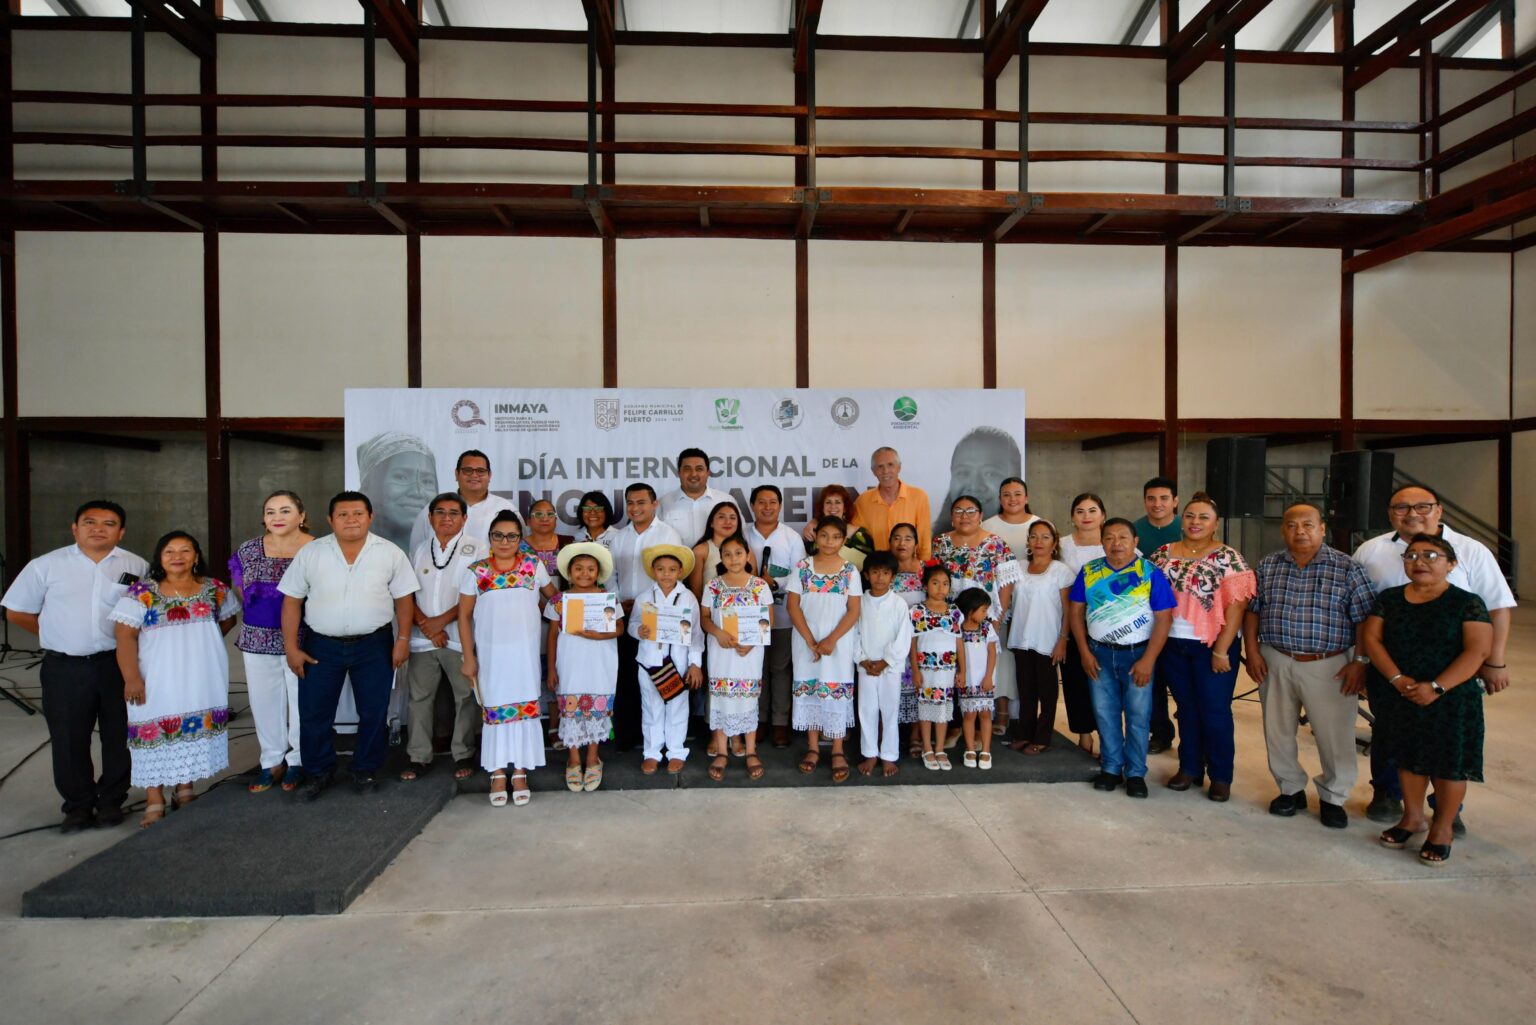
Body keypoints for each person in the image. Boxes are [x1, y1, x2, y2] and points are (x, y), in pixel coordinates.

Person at [1352, 484, 1516, 830]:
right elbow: (1364, 616)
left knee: (1447, 741)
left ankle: (1444, 811)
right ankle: (1387, 793)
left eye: (1422, 506)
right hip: (1391, 670)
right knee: (1391, 733)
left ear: (1439, 510)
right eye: (1401, 507)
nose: (1412, 513)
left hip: (1451, 671)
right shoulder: (1371, 550)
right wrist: (1371, 665)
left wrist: (1495, 661)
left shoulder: (1471, 551)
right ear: (1389, 513)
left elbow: (1497, 607)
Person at [4, 501, 147, 832]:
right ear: (75, 528)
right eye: (90, 522)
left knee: (119, 734)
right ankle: (78, 806)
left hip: (116, 664)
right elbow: (16, 611)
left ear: (121, 531)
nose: (98, 528)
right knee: (69, 738)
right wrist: (54, 633)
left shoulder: (136, 565)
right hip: (64, 667)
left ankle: (112, 800)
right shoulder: (46, 565)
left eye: (109, 523)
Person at [1361, 534, 1493, 865]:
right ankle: (1413, 817)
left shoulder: (1467, 602)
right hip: (1401, 692)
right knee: (1409, 757)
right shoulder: (1389, 599)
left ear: (1451, 564)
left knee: (1449, 764)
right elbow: (1373, 639)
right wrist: (1396, 679)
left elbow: (1477, 650)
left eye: (1431, 556)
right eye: (1412, 555)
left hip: (1451, 697)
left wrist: (1436, 687)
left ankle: (1442, 827)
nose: (1419, 562)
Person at [1243, 502, 1376, 828]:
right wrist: (1253, 651)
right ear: (1282, 529)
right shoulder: (1269, 565)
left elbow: (1365, 620)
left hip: (1329, 664)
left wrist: (1360, 662)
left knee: (1334, 735)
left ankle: (1333, 795)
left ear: (1322, 528)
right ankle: (1290, 789)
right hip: (1276, 658)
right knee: (1278, 730)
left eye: (1307, 524)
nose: (1299, 531)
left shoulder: (1347, 568)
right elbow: (1253, 610)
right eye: (1291, 525)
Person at [279, 491, 419, 802]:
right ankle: (318, 772)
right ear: (330, 519)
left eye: (358, 513)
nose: (351, 519)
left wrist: (403, 639)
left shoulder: (389, 553)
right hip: (320, 646)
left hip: (374, 645)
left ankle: (365, 768)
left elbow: (404, 599)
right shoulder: (311, 553)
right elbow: (291, 601)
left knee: (373, 711)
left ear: (370, 517)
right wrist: (291, 647)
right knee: (314, 713)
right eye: (343, 514)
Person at [111, 532, 239, 827]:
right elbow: (125, 635)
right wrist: (131, 678)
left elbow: (229, 617)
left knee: (191, 729)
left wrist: (202, 643)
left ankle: (185, 789)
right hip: (156, 675)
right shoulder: (142, 592)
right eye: (169, 551)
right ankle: (155, 798)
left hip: (201, 675)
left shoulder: (214, 589)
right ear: (160, 557)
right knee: (151, 730)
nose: (177, 556)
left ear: (196, 556)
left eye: (185, 550)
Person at [1148, 492, 1255, 802]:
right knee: (1187, 709)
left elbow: (1238, 605)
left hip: (1212, 647)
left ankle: (1221, 775)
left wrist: (1222, 649)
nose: (1195, 522)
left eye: (1203, 517)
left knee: (1215, 711)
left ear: (1215, 523)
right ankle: (1190, 768)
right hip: (1172, 643)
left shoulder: (1227, 557)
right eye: (1190, 516)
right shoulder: (1163, 554)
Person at [1070, 518, 1176, 799]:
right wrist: (1083, 651)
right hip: (1099, 654)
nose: (1116, 543)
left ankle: (1136, 772)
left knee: (1139, 716)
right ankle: (1112, 767)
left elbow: (1164, 618)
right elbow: (1076, 612)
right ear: (1102, 541)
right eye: (1109, 538)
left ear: (1135, 541)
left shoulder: (1149, 572)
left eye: (1122, 537)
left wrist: (1148, 660)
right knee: (1105, 713)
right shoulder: (1089, 572)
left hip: (1138, 655)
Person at [458, 512, 558, 806]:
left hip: (524, 654)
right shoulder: (475, 571)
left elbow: (555, 599)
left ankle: (521, 772)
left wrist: (590, 602)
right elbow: (464, 617)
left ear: (519, 539)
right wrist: (468, 657)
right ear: (490, 538)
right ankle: (498, 772)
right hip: (491, 655)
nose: (505, 541)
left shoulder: (533, 566)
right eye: (498, 535)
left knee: (525, 710)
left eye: (512, 536)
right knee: (495, 712)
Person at [229, 490, 314, 794]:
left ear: (301, 516)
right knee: (264, 702)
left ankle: (300, 760)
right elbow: (241, 591)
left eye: (285, 511)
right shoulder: (248, 550)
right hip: (257, 637)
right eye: (270, 512)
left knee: (301, 702)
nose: (277, 517)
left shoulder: (316, 549)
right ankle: (271, 761)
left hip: (304, 637)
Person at [400, 492, 482, 783]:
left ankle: (463, 753)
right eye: (440, 512)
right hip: (424, 640)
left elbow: (479, 594)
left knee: (465, 698)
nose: (447, 518)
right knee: (420, 699)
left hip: (460, 639)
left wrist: (441, 623)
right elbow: (405, 593)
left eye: (453, 513)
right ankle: (418, 756)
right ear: (430, 517)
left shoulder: (478, 548)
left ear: (464, 518)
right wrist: (426, 625)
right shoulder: (420, 549)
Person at [786, 515, 863, 783]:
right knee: (811, 689)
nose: (829, 542)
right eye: (824, 535)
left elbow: (854, 610)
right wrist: (810, 640)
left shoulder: (849, 571)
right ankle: (813, 747)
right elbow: (793, 606)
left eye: (836, 537)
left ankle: (838, 748)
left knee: (835, 689)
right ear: (815, 537)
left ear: (844, 540)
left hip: (838, 644)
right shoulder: (802, 567)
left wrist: (831, 640)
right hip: (806, 641)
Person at [610, 483, 683, 751]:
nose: (635, 508)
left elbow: (676, 574)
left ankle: (664, 741)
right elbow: (610, 575)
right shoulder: (619, 537)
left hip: (661, 620)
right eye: (630, 502)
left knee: (661, 678)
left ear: (654, 504)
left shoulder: (668, 534)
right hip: (627, 616)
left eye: (641, 502)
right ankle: (629, 736)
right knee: (628, 678)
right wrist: (619, 601)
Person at [545, 542, 622, 793]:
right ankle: (574, 758)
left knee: (596, 707)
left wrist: (598, 636)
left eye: (590, 569)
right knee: (572, 708)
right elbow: (553, 636)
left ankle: (592, 757)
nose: (584, 574)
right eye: (578, 568)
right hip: (570, 663)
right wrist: (551, 669)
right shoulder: (559, 600)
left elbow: (619, 628)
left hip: (600, 661)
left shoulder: (606, 599)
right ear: (569, 572)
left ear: (598, 573)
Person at [699, 534, 772, 781]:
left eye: (738, 553)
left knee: (748, 700)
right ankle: (722, 752)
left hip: (749, 653)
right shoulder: (713, 586)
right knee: (721, 699)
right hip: (722, 652)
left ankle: (751, 751)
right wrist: (717, 632)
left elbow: (768, 620)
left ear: (747, 555)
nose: (733, 559)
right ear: (721, 558)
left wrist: (752, 642)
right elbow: (704, 618)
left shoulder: (759, 586)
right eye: (727, 554)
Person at [630, 544, 704, 774]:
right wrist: (637, 631)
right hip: (649, 662)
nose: (666, 574)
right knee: (651, 707)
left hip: (678, 663)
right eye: (661, 569)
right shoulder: (644, 597)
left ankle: (675, 751)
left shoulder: (687, 598)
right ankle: (652, 751)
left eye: (672, 569)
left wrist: (695, 664)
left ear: (680, 572)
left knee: (677, 708)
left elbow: (695, 633)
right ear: (653, 571)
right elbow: (632, 624)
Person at [743, 484, 806, 748]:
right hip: (747, 619)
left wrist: (771, 584)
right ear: (752, 505)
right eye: (761, 502)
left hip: (782, 617)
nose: (767, 507)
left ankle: (780, 722)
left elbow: (800, 576)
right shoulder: (743, 534)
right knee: (756, 670)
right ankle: (757, 721)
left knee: (780, 669)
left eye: (772, 502)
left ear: (780, 506)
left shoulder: (791, 538)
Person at [1007, 519, 1075, 755]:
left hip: (1048, 640)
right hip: (1021, 637)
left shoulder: (1061, 571)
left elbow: (1069, 609)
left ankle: (1043, 737)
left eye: (1045, 537)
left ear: (1054, 542)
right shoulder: (1018, 566)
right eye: (1034, 536)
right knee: (1025, 690)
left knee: (1047, 692)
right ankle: (1024, 733)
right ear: (1028, 541)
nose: (1039, 541)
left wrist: (1063, 640)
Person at [981, 476, 1038, 735]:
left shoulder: (1039, 525)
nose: (1012, 499)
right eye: (1006, 494)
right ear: (1000, 499)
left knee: (1027, 658)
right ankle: (1001, 712)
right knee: (1000, 656)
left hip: (1032, 602)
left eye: (1017, 494)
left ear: (1026, 497)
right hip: (997, 601)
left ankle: (1026, 716)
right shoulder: (987, 527)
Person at [1134, 476, 1182, 755]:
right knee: (1151, 679)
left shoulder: (1187, 528)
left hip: (1184, 620)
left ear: (1175, 501)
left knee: (1182, 683)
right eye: (1151, 498)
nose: (1157, 504)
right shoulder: (1136, 530)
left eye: (1164, 498)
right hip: (1146, 618)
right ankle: (1160, 732)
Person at [1058, 493, 1110, 755]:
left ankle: (1109, 735)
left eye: (1092, 510)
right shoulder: (1061, 545)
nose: (1086, 516)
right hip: (1072, 621)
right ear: (1072, 517)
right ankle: (1083, 734)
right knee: (1075, 679)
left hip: (1109, 624)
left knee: (1105, 681)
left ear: (1103, 515)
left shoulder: (1116, 543)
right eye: (1080, 511)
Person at [855, 551, 913, 777]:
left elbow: (903, 636)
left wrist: (886, 661)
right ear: (867, 575)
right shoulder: (859, 602)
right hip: (866, 666)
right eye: (875, 572)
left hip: (891, 668)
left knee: (890, 711)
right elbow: (853, 633)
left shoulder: (898, 603)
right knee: (867, 710)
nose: (880, 577)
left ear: (893, 577)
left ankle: (889, 755)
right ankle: (870, 753)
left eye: (886, 573)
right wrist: (862, 659)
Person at [406, 449, 523, 557]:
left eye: (481, 471)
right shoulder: (435, 508)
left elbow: (520, 550)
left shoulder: (505, 509)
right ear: (456, 474)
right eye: (467, 470)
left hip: (489, 578)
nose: (474, 475)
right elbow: (416, 551)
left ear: (489, 475)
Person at [911, 563, 963, 771]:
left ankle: (939, 748)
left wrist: (963, 670)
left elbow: (959, 643)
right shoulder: (917, 611)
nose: (941, 588)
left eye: (945, 584)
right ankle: (926, 747)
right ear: (925, 585)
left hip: (947, 671)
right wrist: (915, 671)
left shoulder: (954, 612)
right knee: (926, 710)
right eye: (935, 583)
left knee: (942, 710)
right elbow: (913, 643)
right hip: (925, 670)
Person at [357, 431, 439, 553]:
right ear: (368, 487)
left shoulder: (445, 552)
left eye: (427, 481)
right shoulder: (352, 552)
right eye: (401, 477)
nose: (417, 492)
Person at [931, 426, 1022, 534]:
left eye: (990, 474)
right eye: (963, 472)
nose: (974, 486)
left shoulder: (1030, 537)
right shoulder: (933, 543)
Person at [849, 446, 933, 560]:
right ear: (873, 471)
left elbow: (924, 537)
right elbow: (854, 535)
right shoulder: (863, 501)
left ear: (899, 467)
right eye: (880, 466)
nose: (885, 471)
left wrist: (923, 567)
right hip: (877, 572)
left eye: (890, 465)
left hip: (910, 570)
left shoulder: (919, 496)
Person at [887, 522, 927, 754]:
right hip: (889, 639)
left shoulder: (927, 569)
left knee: (918, 685)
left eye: (908, 538)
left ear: (916, 544)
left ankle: (915, 735)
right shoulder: (883, 569)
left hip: (920, 640)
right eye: (897, 538)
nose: (902, 543)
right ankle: (888, 735)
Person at [955, 588, 998, 770]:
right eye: (983, 610)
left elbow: (992, 652)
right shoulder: (958, 630)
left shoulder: (987, 627)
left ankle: (986, 750)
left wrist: (989, 676)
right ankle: (970, 749)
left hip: (984, 679)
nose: (985, 613)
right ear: (970, 611)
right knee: (969, 715)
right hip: (967, 680)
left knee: (985, 714)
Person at [659, 447, 738, 544]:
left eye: (699, 469)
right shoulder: (664, 502)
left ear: (708, 472)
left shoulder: (726, 500)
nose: (693, 474)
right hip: (677, 559)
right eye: (687, 469)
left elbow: (739, 535)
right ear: (679, 473)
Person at [689, 500, 747, 598]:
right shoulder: (701, 551)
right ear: (711, 523)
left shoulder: (747, 550)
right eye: (721, 517)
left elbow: (754, 587)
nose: (727, 522)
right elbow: (696, 593)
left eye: (732, 518)